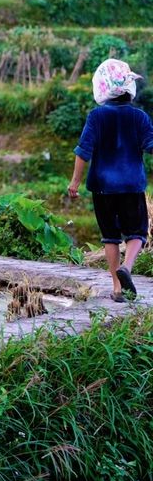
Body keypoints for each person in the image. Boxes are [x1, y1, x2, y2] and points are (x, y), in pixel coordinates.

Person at [68, 57, 153, 301]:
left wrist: (75, 182)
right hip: (131, 185)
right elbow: (151, 146)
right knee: (137, 233)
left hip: (102, 187)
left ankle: (117, 288)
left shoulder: (96, 116)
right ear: (129, 88)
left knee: (110, 236)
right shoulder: (139, 117)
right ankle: (127, 267)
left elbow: (83, 151)